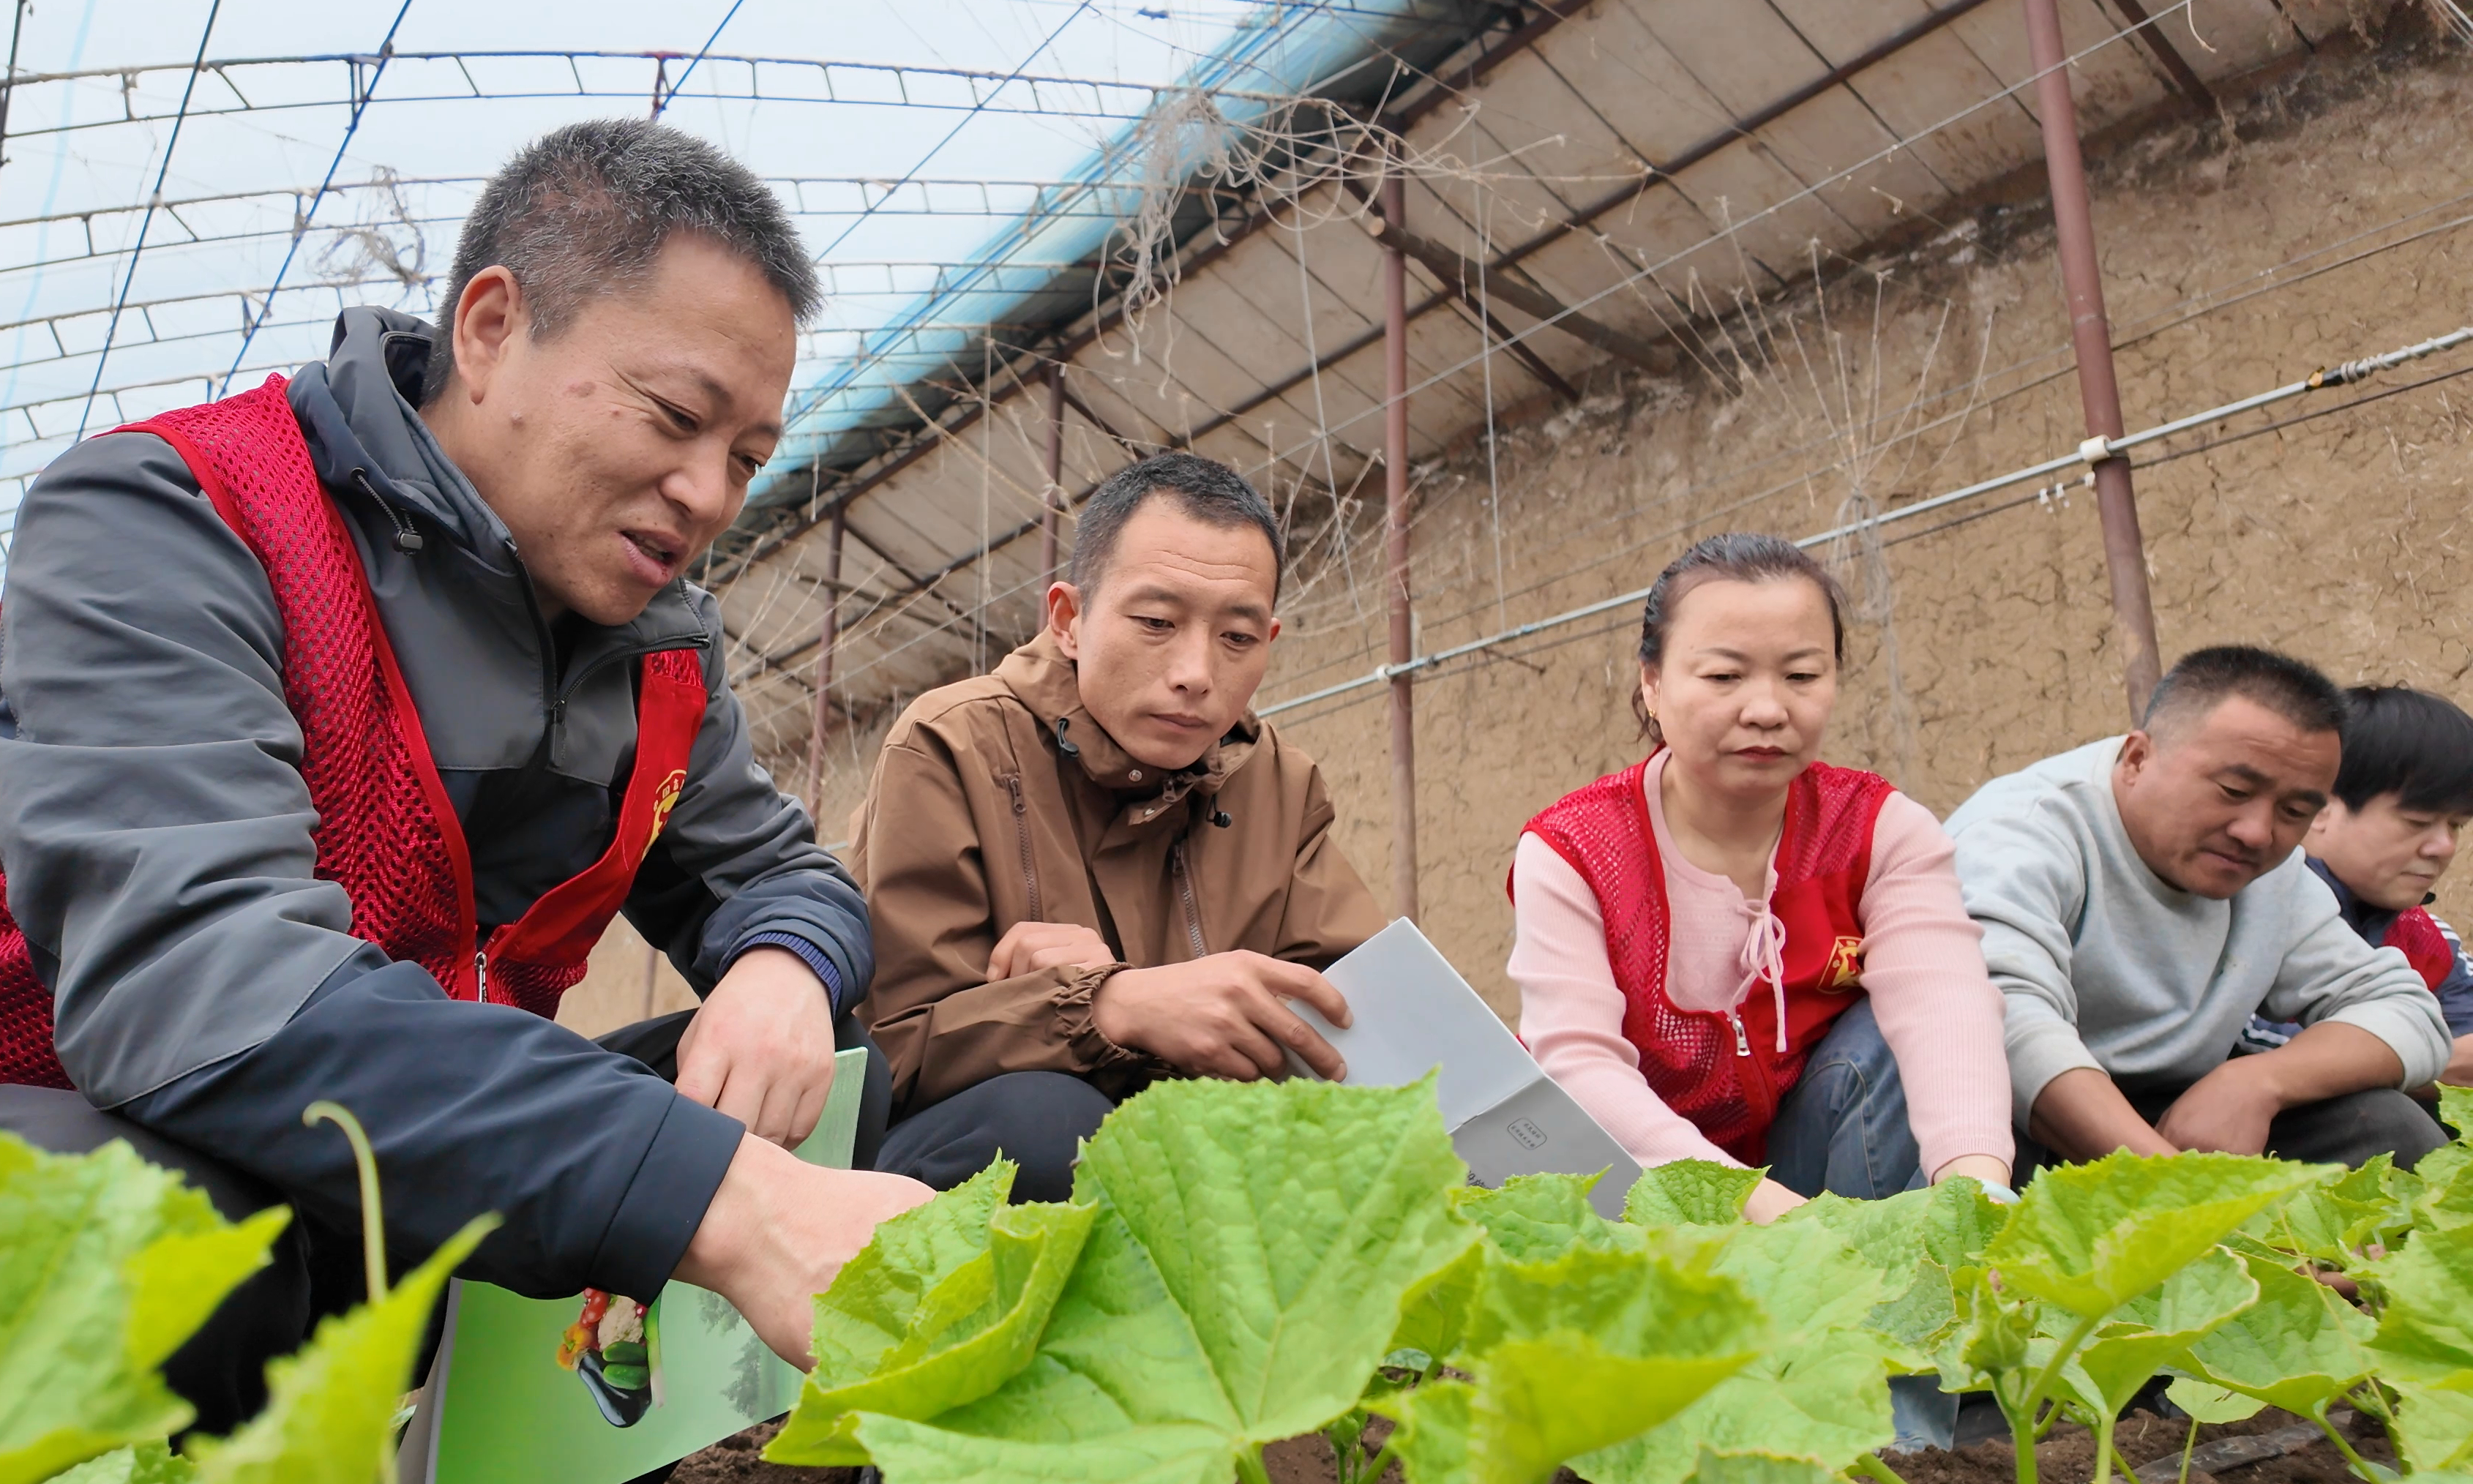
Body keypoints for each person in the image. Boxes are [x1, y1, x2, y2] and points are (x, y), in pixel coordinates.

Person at [0, 120, 931, 1484]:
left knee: (761, 1108)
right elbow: (200, 979)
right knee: (196, 1223)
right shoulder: (178, 517)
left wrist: (784, 966)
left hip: (351, 1223)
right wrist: (719, 1196)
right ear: (489, 328)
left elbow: (784, 874)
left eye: (750, 456)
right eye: (672, 417)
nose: (708, 495)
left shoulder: (658, 651)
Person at [850, 452, 1385, 1202]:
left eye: (1236, 639)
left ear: (1270, 639)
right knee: (1047, 1127)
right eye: (1157, 623)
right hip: (964, 1171)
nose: (1196, 672)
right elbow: (891, 1051)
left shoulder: (1280, 785)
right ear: (1069, 620)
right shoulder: (953, 744)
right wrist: (1106, 1004)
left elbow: (1351, 1024)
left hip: (1198, 1176)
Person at [1508, 534, 2016, 1229]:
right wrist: (1778, 1221)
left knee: (1887, 1037)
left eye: (1802, 677)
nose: (1768, 710)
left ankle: (1907, 1279)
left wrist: (1979, 1190)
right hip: (1637, 1194)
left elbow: (1944, 1005)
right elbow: (1579, 1066)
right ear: (1652, 684)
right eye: (1724, 677)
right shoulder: (1572, 849)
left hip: (1803, 1170)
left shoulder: (1879, 828)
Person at [1947, 646, 2453, 1174]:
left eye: (2295, 811)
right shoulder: (2023, 835)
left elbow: (2406, 1011)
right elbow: (2008, 1027)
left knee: (2387, 1125)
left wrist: (2258, 1083)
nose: (2257, 832)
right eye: (2233, 791)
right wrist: (2186, 1196)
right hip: (2021, 1124)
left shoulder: (2270, 871)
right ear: (2138, 758)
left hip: (2173, 1116)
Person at [2240, 683, 2473, 1087]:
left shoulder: (2429, 942)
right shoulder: (2241, 915)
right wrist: (2429, 1058)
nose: (2444, 846)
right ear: (2319, 808)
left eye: (2456, 825)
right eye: (2417, 822)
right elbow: (2247, 1045)